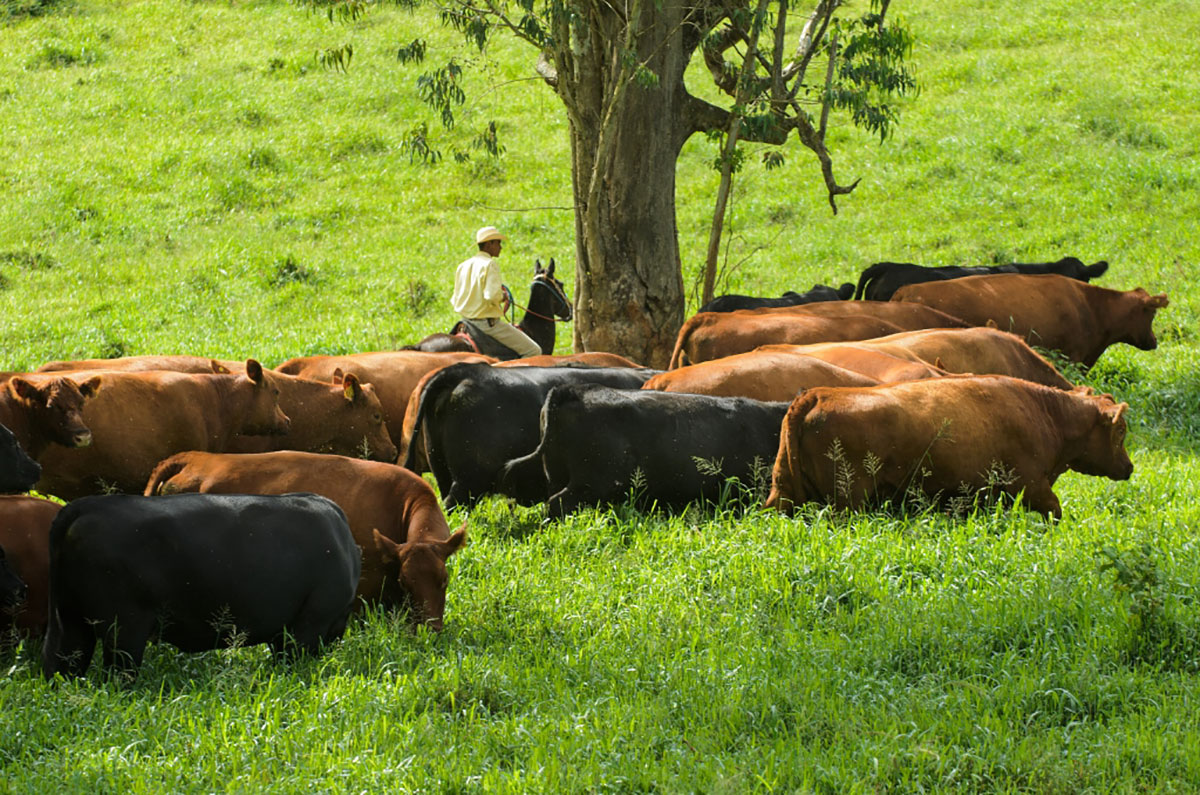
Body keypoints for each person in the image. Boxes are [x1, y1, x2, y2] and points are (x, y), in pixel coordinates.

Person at [450, 226, 542, 359]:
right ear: (489, 244)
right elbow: (491, 296)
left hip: (465, 323)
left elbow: (455, 299)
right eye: (498, 242)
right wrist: (503, 296)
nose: (501, 247)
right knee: (534, 351)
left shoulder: (463, 265)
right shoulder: (489, 264)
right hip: (487, 325)